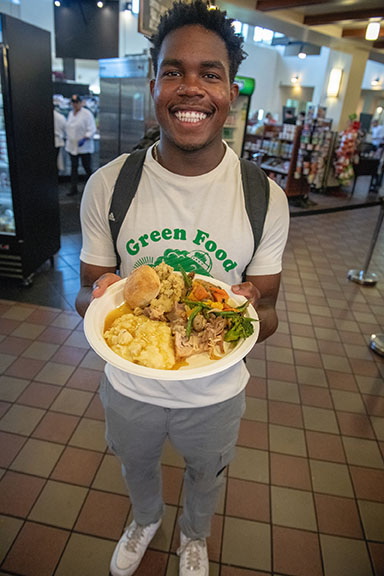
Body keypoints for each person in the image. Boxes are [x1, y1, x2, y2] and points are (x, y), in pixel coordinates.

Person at [75, 2, 289, 575]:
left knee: (206, 471)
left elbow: (267, 315)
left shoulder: (265, 197)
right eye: (174, 71)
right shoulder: (109, 185)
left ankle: (194, 536)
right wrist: (102, 296)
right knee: (135, 465)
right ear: (154, 85)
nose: (190, 88)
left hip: (215, 393)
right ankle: (145, 519)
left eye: (209, 73)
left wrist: (245, 311)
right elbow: (84, 296)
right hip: (129, 383)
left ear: (231, 92)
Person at [65, 94, 96, 196]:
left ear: (80, 103)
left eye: (76, 102)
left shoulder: (87, 114)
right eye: (73, 103)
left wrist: (85, 138)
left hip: (84, 146)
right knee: (74, 168)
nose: (75, 105)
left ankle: (92, 188)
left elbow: (92, 129)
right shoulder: (70, 114)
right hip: (72, 146)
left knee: (87, 167)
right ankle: (73, 189)